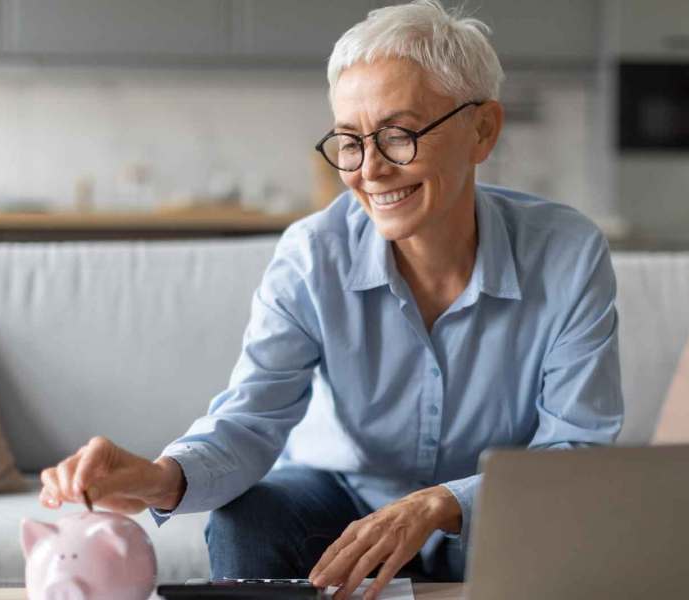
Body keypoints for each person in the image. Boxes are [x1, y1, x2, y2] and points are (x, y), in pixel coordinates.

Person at [38, 2, 623, 599]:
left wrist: (445, 501)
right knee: (250, 517)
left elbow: (576, 450)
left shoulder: (567, 253)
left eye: (398, 135)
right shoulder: (313, 255)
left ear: (482, 130)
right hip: (341, 506)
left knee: (586, 528)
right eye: (349, 142)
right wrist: (161, 479)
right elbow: (250, 420)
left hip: (502, 518)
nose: (370, 170)